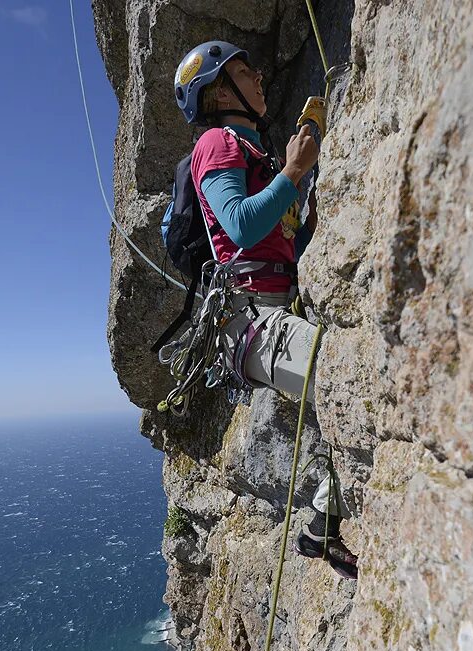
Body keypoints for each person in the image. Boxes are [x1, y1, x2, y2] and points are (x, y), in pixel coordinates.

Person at [173, 41, 357, 579]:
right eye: (241, 71)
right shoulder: (218, 142)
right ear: (218, 91)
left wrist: (299, 188)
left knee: (344, 400)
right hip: (251, 321)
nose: (257, 76)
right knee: (353, 384)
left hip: (270, 310)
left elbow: (279, 244)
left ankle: (321, 524)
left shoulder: (253, 151)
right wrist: (294, 174)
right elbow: (240, 224)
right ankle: (321, 522)